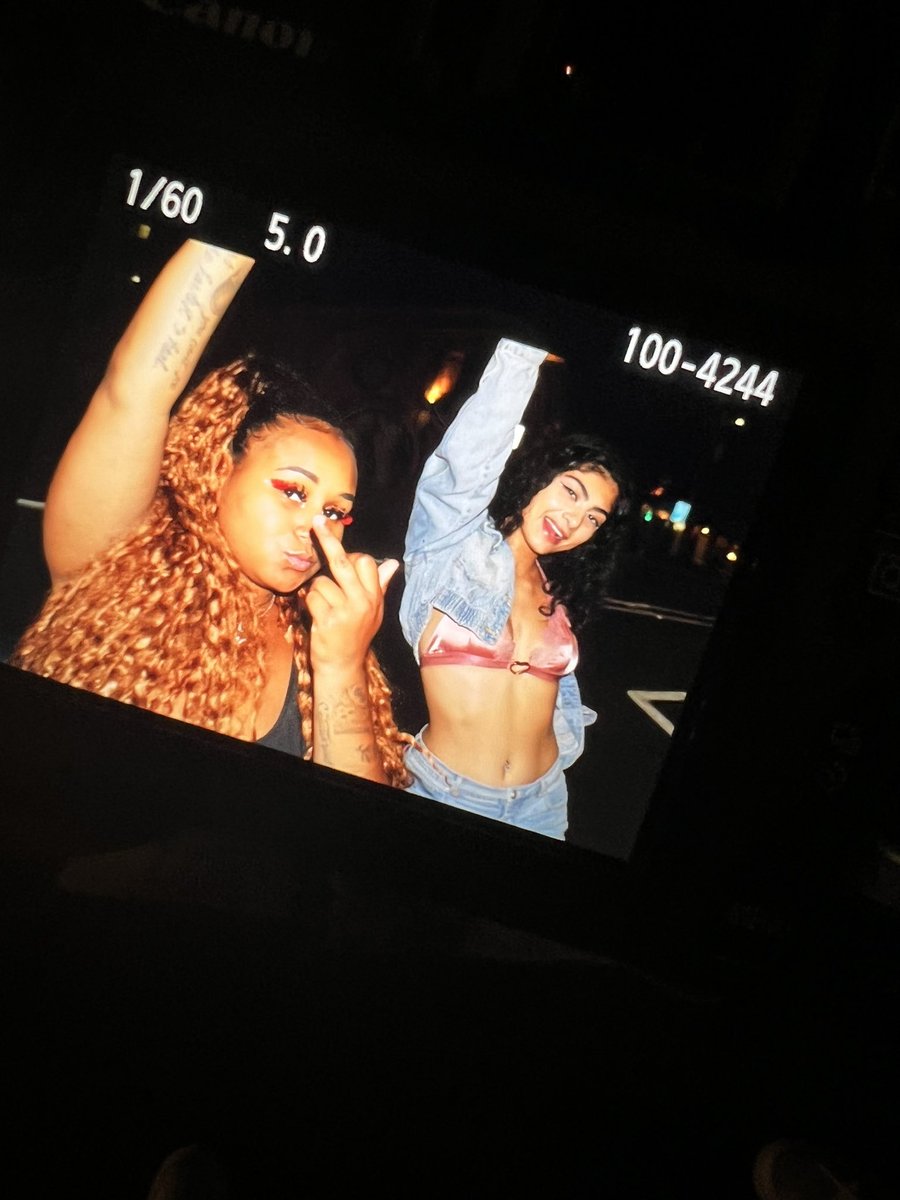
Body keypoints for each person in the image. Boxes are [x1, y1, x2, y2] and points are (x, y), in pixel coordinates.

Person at [11, 237, 411, 787]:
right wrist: (245, 219)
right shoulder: (123, 568)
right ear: (217, 470)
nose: (315, 529)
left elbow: (354, 824)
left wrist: (342, 662)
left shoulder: (319, 634)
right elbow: (134, 390)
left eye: (336, 512)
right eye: (294, 491)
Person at [399, 335, 633, 838]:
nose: (573, 520)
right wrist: (524, 351)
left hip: (543, 803)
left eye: (593, 518)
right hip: (443, 792)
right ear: (537, 478)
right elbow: (471, 456)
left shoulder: (558, 594)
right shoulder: (453, 547)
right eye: (570, 491)